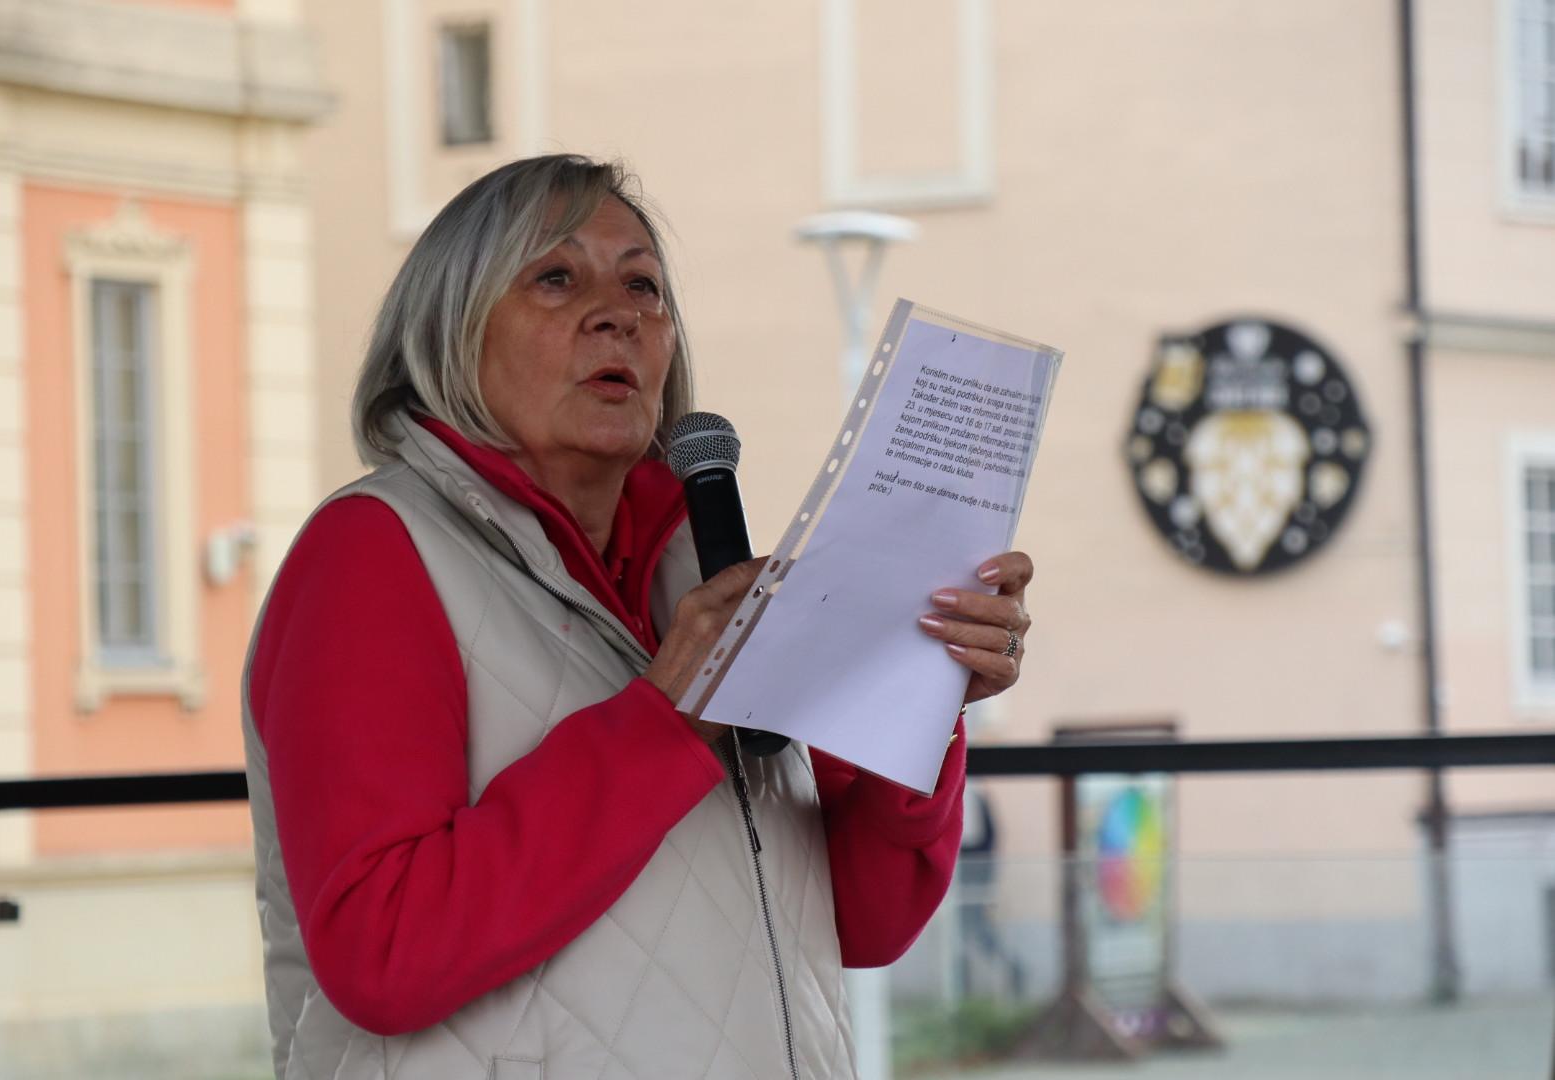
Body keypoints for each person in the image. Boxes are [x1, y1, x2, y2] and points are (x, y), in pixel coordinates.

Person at [241, 154, 1035, 1080]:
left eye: (643, 286)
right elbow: (382, 953)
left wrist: (921, 697)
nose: (617, 313)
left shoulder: (706, 573)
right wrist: (664, 726)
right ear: (451, 330)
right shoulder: (372, 551)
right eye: (556, 276)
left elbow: (867, 921)